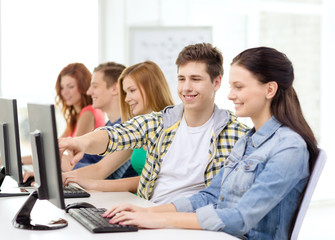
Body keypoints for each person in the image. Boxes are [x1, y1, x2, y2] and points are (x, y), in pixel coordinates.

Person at [102, 47, 319, 240]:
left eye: (239, 87)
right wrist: (149, 213)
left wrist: (161, 220)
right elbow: (210, 196)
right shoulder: (247, 141)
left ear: (269, 90)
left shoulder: (289, 147)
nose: (231, 95)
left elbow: (241, 218)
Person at [59, 43, 249, 204]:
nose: (186, 87)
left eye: (195, 79)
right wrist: (78, 142)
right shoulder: (160, 123)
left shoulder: (236, 135)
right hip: (147, 215)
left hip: (191, 224)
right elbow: (115, 135)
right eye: (182, 79)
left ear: (217, 83)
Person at [62, 61, 175, 190]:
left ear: (151, 88)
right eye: (126, 93)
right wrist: (63, 178)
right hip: (136, 201)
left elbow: (156, 179)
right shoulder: (137, 128)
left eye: (132, 90)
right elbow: (101, 168)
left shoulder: (172, 127)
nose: (126, 99)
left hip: (150, 203)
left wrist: (94, 184)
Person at [21, 63, 105, 166]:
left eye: (70, 87)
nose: (64, 92)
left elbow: (66, 155)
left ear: (83, 86)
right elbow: (54, 150)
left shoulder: (88, 113)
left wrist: (17, 161)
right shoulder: (76, 117)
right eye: (62, 87)